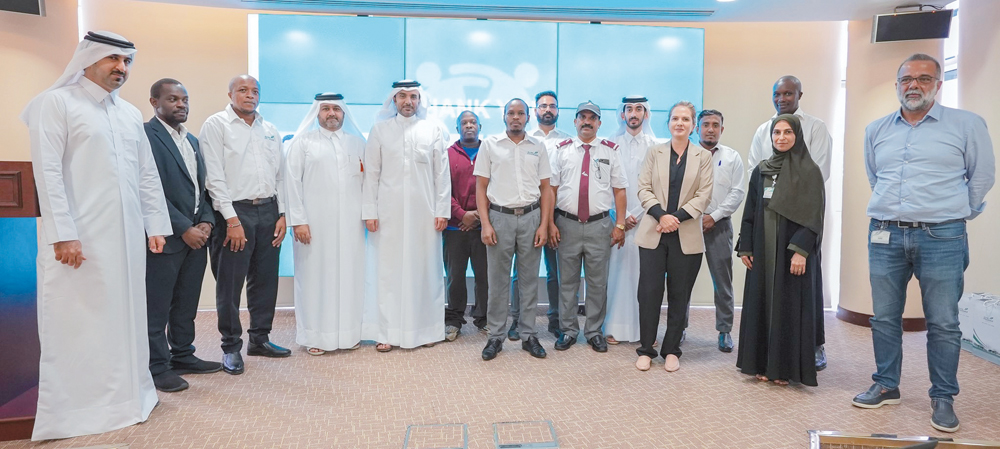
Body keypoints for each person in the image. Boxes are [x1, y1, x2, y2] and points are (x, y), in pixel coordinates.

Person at [21, 31, 171, 440]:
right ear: (88, 59)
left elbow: (146, 174)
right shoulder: (57, 104)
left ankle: (131, 397)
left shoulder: (128, 113)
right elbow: (47, 174)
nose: (121, 69)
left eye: (127, 62)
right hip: (80, 240)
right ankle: (81, 409)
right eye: (113, 60)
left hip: (125, 240)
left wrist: (156, 224)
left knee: (124, 315)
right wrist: (63, 234)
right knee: (81, 319)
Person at [852, 54, 995, 433]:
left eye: (924, 78)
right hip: (885, 232)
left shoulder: (966, 124)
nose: (914, 85)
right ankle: (886, 385)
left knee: (944, 322)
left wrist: (957, 213)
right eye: (906, 79)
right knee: (883, 317)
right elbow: (875, 176)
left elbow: (982, 176)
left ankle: (943, 396)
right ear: (897, 84)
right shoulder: (876, 129)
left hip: (942, 235)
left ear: (938, 84)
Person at [200, 74, 290, 375]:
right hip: (234, 215)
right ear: (230, 94)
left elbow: (280, 175)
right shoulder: (216, 125)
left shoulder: (270, 130)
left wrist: (283, 214)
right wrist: (232, 220)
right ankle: (231, 347)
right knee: (230, 284)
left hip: (268, 211)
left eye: (254, 91)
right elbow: (214, 177)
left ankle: (260, 340)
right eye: (243, 90)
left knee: (265, 280)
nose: (249, 95)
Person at [747, 75, 833, 370]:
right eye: (777, 94)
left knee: (803, 289)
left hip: (801, 218)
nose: (782, 98)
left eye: (788, 93)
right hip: (769, 220)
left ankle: (813, 345)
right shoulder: (762, 129)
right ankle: (768, 351)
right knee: (768, 290)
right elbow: (756, 170)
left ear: (799, 94)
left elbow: (818, 173)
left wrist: (788, 191)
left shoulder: (816, 128)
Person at [144, 78, 222, 393]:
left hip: (195, 237)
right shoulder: (145, 137)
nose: (181, 105)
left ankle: (183, 355)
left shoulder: (193, 140)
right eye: (173, 99)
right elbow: (148, 191)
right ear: (154, 102)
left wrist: (205, 222)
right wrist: (183, 228)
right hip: (164, 237)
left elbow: (201, 188)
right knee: (157, 307)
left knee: (186, 302)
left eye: (185, 100)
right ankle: (157, 367)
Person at [736, 114, 825, 386]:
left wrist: (801, 250)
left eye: (788, 132)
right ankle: (761, 364)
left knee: (789, 308)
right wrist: (746, 247)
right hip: (763, 252)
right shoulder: (761, 170)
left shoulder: (809, 172)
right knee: (761, 305)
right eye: (777, 132)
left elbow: (814, 216)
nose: (782, 137)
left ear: (797, 136)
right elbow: (750, 212)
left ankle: (785, 368)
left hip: (791, 254)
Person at [363, 80, 451, 351]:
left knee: (424, 270)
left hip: (425, 215)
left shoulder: (433, 129)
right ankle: (386, 332)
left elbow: (441, 174)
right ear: (393, 100)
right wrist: (370, 211)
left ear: (419, 100)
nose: (408, 101)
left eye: (413, 96)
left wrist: (442, 210)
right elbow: (372, 175)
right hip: (387, 214)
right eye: (402, 96)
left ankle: (425, 331)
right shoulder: (379, 130)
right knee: (388, 272)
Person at [284, 93, 371, 355]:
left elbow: (369, 184)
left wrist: (369, 216)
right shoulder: (303, 143)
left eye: (336, 109)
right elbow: (291, 184)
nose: (331, 113)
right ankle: (315, 336)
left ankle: (349, 334)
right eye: (325, 109)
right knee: (315, 279)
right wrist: (298, 221)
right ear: (317, 113)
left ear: (344, 113)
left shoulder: (359, 144)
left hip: (351, 228)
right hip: (313, 226)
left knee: (350, 277)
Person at [633, 101, 713, 373]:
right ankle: (646, 349)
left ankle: (671, 350)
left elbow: (703, 197)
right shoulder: (654, 153)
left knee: (680, 295)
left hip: (686, 235)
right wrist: (661, 215)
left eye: (686, 119)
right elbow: (643, 188)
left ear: (693, 125)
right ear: (668, 122)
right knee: (649, 294)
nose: (680, 123)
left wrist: (675, 218)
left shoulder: (704, 157)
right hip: (654, 232)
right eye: (675, 118)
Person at [475, 98, 554, 361]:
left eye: (521, 113)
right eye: (511, 113)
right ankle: (495, 337)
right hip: (500, 218)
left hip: (531, 218)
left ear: (528, 117)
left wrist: (544, 224)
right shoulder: (490, 145)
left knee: (529, 280)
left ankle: (528, 334)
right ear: (504, 117)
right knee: (497, 282)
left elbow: (545, 189)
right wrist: (485, 223)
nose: (516, 117)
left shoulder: (538, 146)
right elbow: (481, 187)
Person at [550, 101, 627, 353]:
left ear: (599, 123)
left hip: (599, 225)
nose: (586, 121)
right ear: (574, 121)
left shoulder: (610, 151)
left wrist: (620, 224)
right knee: (567, 282)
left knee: (597, 282)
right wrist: (549, 222)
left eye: (591, 118)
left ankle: (594, 331)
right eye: (581, 117)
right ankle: (569, 331)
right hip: (567, 224)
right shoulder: (561, 150)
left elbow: (620, 191)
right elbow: (550, 190)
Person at [507, 90, 574, 340]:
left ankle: (555, 319)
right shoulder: (523, 139)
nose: (548, 110)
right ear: (534, 111)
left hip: (560, 212)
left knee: (557, 271)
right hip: (528, 210)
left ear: (558, 111)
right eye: (543, 106)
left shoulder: (568, 141)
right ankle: (517, 320)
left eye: (552, 106)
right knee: (522, 271)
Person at [605, 96, 658, 345]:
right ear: (622, 114)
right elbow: (605, 184)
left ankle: (644, 331)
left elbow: (657, 186)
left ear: (646, 114)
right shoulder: (610, 144)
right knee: (617, 274)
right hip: (618, 221)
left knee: (645, 277)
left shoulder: (657, 146)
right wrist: (622, 216)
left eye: (639, 109)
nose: (634, 113)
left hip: (647, 219)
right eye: (629, 109)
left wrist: (638, 213)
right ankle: (614, 327)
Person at [695, 110, 746, 353]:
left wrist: (713, 217)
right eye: (706, 125)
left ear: (722, 130)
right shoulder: (686, 154)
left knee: (722, 282)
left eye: (716, 125)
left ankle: (724, 330)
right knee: (681, 282)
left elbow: (737, 193)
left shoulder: (732, 157)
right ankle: (680, 327)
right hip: (688, 225)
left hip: (719, 225)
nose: (711, 129)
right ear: (697, 128)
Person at [444, 110, 489, 341]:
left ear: (480, 126)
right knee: (455, 277)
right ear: (457, 127)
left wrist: (479, 216)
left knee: (484, 276)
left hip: (484, 227)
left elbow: (496, 186)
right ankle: (453, 320)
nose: (469, 125)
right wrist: (462, 215)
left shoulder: (490, 151)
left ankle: (483, 319)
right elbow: (443, 189)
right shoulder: (447, 154)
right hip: (454, 228)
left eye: (473, 122)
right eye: (464, 122)